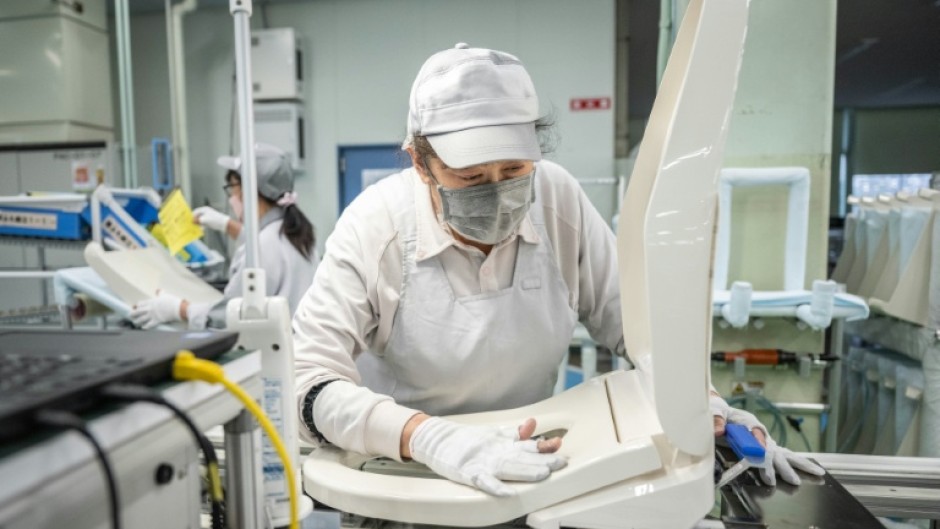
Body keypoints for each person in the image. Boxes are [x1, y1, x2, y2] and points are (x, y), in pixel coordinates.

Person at [292, 44, 823, 497]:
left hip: (533, 467)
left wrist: (703, 404)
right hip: (407, 477)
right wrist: (429, 437)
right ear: (419, 162)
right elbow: (307, 384)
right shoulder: (376, 225)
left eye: (514, 170)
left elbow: (637, 329)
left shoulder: (558, 200)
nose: (498, 193)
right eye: (471, 176)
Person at [130, 143, 319, 330]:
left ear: (249, 190)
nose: (232, 197)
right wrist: (226, 224)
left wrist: (178, 309)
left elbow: (228, 315)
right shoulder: (296, 233)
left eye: (232, 187)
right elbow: (264, 244)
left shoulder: (263, 246)